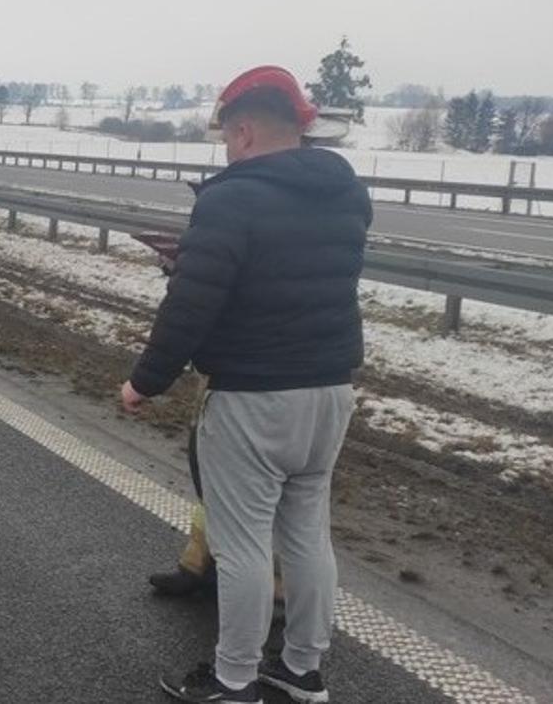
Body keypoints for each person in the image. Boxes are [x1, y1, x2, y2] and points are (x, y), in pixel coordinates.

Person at [122, 65, 370, 704]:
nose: (227, 151)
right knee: (308, 537)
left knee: (240, 547)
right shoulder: (346, 194)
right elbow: (290, 272)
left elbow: (192, 305)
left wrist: (145, 382)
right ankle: (301, 671)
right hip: (329, 391)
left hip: (254, 396)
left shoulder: (230, 199)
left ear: (245, 130)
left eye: (228, 137)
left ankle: (233, 680)